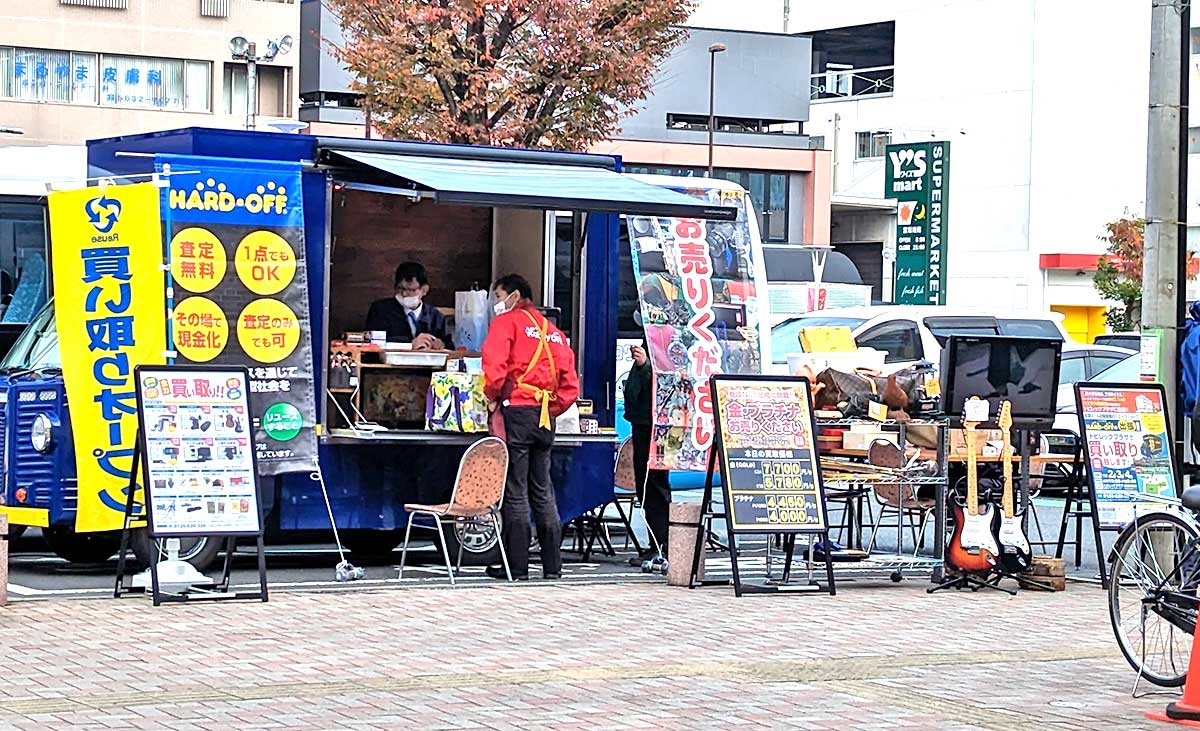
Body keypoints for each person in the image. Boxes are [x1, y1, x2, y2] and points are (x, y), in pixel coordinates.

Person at [481, 274, 579, 581]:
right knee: (543, 489)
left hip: (518, 412)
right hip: (545, 416)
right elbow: (570, 386)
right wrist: (550, 407)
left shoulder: (506, 323)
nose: (495, 302)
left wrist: (492, 398)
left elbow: (494, 370)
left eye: (498, 295)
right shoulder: (553, 331)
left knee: (516, 489)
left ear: (513, 295)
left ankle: (517, 567)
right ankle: (553, 566)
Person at [622, 311, 671, 565]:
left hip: (655, 424)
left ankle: (662, 544)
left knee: (654, 483)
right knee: (647, 484)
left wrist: (644, 366)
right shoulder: (651, 339)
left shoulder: (666, 340)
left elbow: (665, 379)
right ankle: (657, 542)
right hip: (643, 422)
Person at [365, 261, 453, 350]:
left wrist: (440, 345)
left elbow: (450, 347)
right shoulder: (380, 310)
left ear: (424, 290)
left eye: (411, 290)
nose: (404, 294)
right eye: (400, 288)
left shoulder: (436, 317)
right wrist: (409, 344)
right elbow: (372, 342)